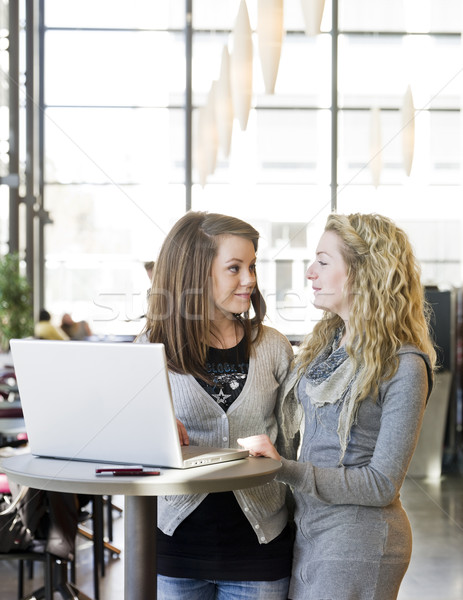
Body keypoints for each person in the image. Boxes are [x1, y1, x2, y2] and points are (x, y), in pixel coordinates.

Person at [238, 212, 436, 600]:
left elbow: (381, 484)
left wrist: (284, 469)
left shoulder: (404, 365)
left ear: (364, 273)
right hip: (311, 530)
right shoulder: (326, 347)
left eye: (323, 262)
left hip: (358, 543)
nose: (310, 272)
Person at [138, 211, 294, 600]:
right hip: (176, 548)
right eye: (235, 268)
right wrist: (152, 434)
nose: (250, 280)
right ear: (195, 273)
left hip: (260, 548)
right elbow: (129, 447)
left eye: (252, 266)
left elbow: (293, 444)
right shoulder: (152, 347)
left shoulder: (273, 346)